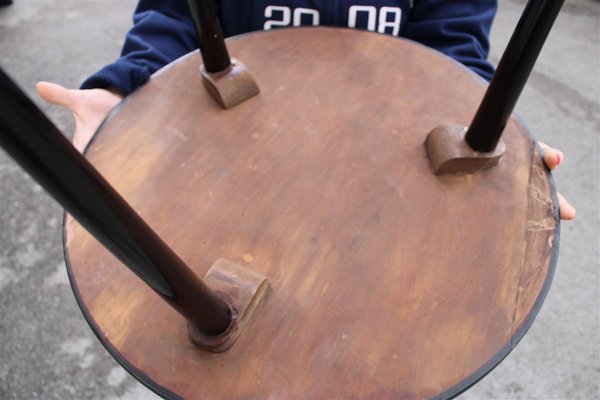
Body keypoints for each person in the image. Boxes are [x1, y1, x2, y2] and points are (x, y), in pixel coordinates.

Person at [35, 0, 576, 219]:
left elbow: (452, 52)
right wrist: (126, 89)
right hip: (230, 173)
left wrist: (487, 133)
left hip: (380, 187)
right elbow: (174, 18)